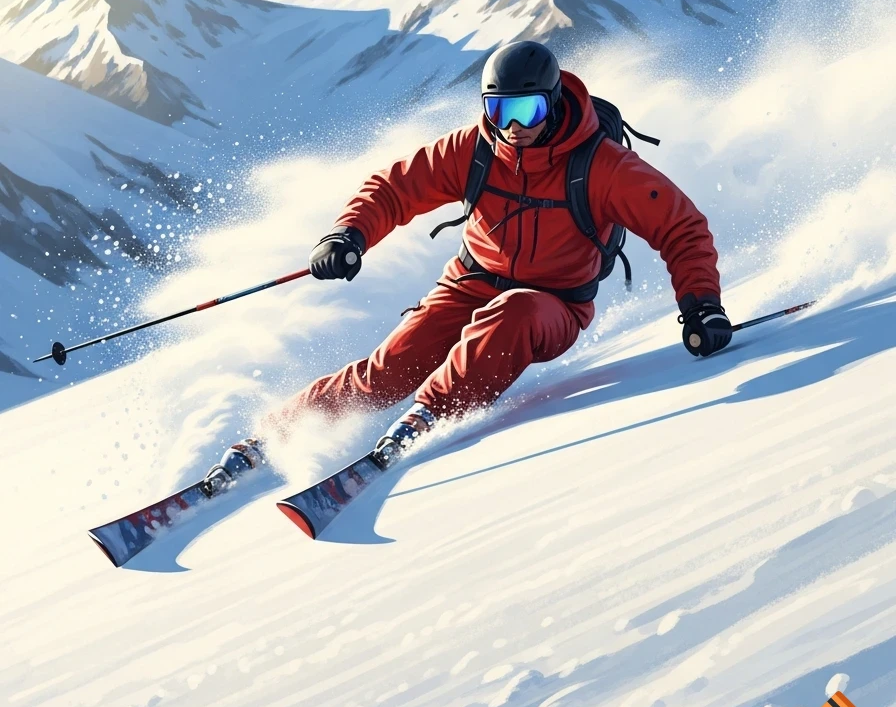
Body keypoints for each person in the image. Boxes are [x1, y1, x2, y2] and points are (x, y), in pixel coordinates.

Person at [204, 41, 731, 489]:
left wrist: (701, 305)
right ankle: (270, 435)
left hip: (553, 304)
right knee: (388, 371)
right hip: (470, 282)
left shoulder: (602, 167)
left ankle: (426, 418)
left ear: (552, 105)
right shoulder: (476, 149)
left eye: (528, 114)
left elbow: (680, 227)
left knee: (515, 314)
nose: (514, 129)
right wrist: (348, 234)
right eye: (501, 113)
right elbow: (395, 188)